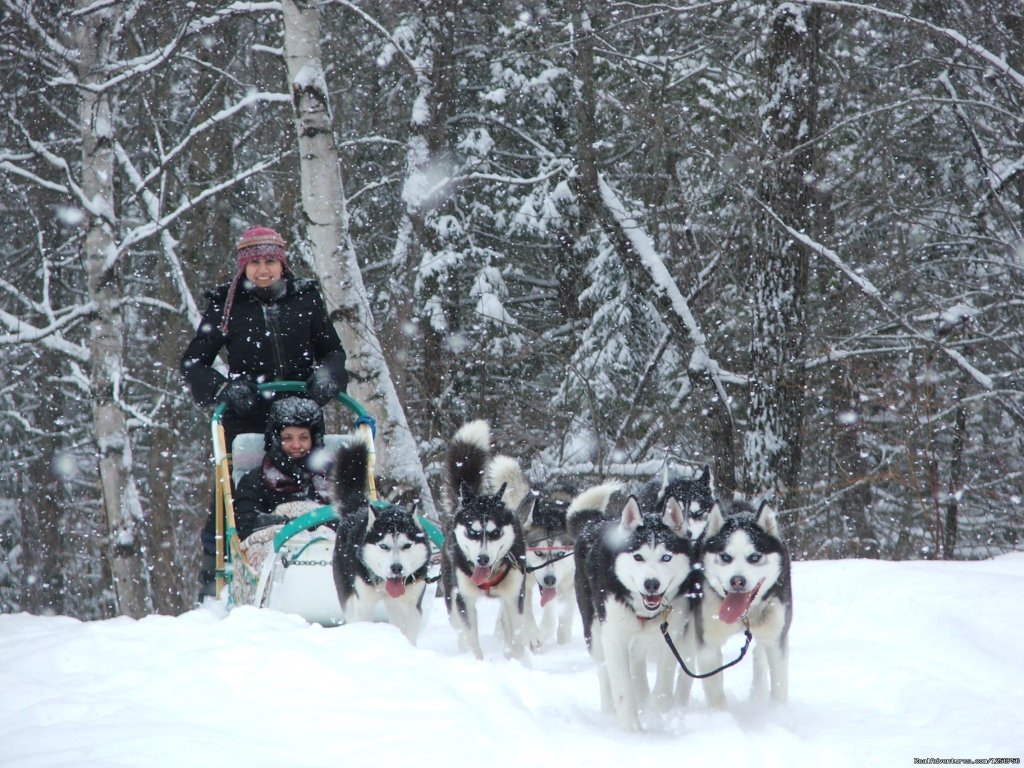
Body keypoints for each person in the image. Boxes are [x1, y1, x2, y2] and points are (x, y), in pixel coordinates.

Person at [180, 226, 347, 598]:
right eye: (255, 263)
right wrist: (225, 388)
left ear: (282, 263)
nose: (264, 270)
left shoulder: (305, 297)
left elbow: (333, 352)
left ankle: (323, 565)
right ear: (243, 267)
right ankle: (215, 584)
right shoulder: (226, 304)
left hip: (300, 414)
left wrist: (328, 376)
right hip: (249, 415)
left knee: (318, 487)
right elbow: (194, 362)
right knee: (235, 493)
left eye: (270, 261)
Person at [233, 397, 332, 542]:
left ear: (314, 439)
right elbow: (247, 528)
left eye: (303, 438)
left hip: (329, 552)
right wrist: (297, 525)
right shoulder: (255, 480)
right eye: (288, 438)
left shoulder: (334, 475)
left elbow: (353, 518)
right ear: (276, 440)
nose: (296, 445)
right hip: (276, 555)